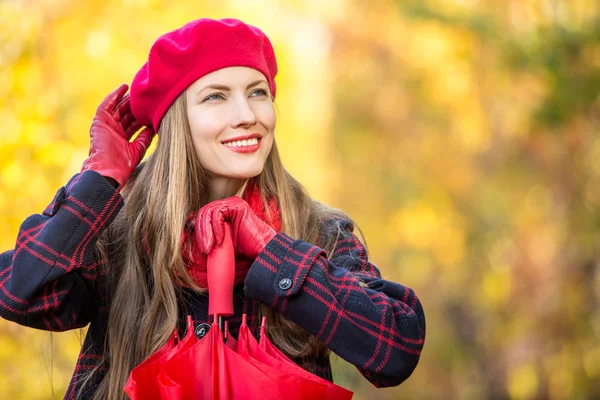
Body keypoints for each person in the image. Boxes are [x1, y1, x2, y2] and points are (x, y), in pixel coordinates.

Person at [0, 18, 426, 400]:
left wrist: (273, 252)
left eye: (257, 92)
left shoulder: (319, 230)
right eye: (215, 97)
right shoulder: (117, 233)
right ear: (175, 122)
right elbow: (21, 291)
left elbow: (395, 349)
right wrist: (99, 179)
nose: (246, 115)